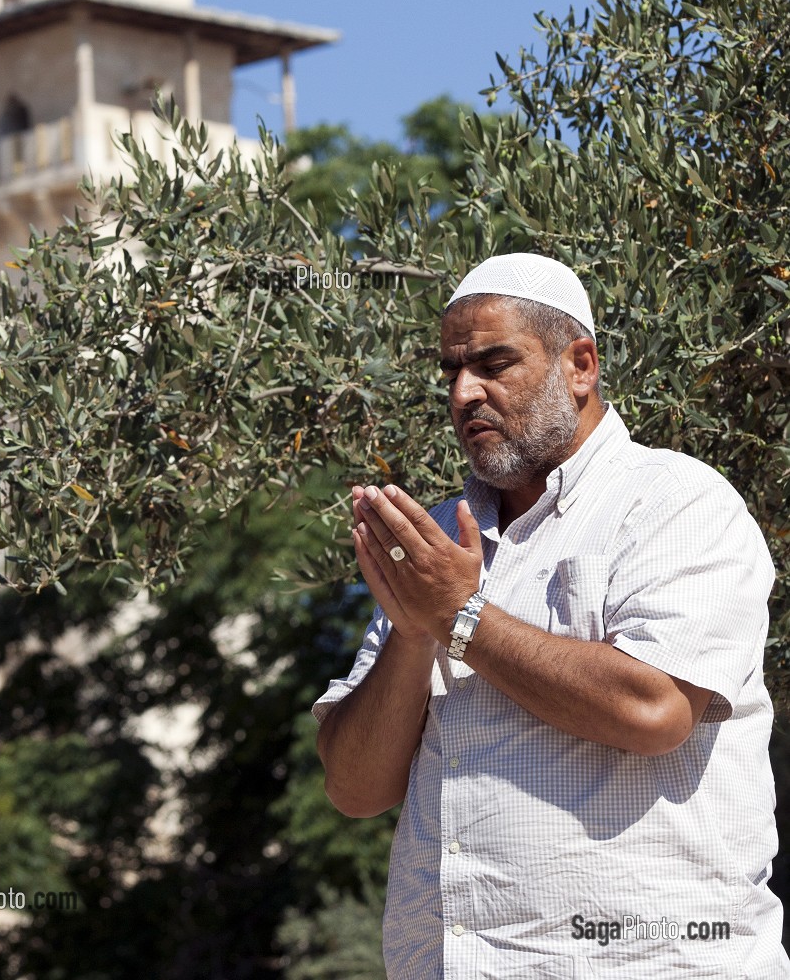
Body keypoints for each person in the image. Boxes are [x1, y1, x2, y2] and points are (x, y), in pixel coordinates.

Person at [314, 253, 789, 979]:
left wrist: (459, 617)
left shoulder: (675, 502)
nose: (464, 392)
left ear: (580, 364)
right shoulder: (438, 543)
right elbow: (353, 789)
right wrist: (413, 631)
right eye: (450, 372)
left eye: (494, 363)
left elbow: (653, 709)